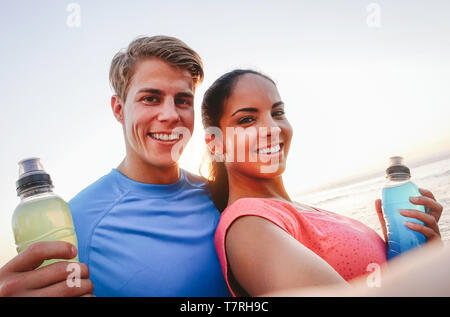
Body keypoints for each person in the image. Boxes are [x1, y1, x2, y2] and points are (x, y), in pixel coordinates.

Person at [0, 35, 230, 297]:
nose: (170, 115)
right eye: (151, 98)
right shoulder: (75, 223)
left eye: (182, 100)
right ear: (119, 109)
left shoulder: (221, 196)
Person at [200, 69, 444, 297]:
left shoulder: (300, 211)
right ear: (215, 143)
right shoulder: (248, 227)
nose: (272, 128)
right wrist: (435, 268)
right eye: (247, 120)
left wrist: (419, 250)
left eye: (277, 113)